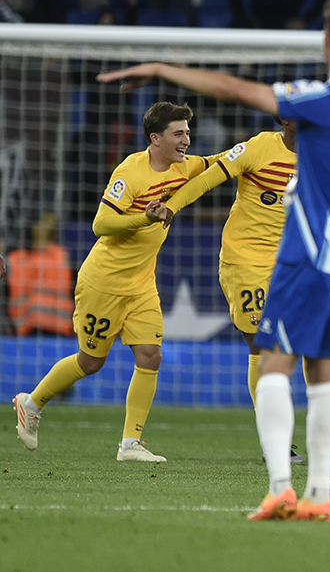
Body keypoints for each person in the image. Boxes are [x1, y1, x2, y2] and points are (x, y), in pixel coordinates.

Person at [91, 0, 330, 521]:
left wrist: (164, 67)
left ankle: (281, 482)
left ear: (327, 40)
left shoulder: (320, 100)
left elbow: (235, 88)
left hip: (303, 255)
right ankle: (319, 496)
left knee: (276, 359)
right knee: (322, 369)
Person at [159, 117, 330, 457]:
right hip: (246, 261)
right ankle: (275, 442)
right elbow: (207, 180)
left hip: (295, 262)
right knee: (264, 347)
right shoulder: (259, 148)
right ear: (286, 119)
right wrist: (171, 206)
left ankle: (329, 430)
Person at [12, 102, 209, 463]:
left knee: (150, 355)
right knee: (90, 362)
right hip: (103, 282)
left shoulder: (188, 166)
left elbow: (223, 163)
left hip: (142, 284)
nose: (187, 140)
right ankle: (32, 402)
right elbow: (100, 225)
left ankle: (130, 444)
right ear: (156, 139)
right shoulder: (130, 172)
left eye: (187, 132)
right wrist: (142, 218)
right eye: (178, 133)